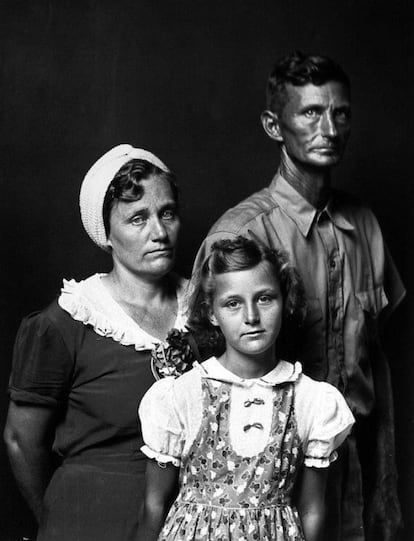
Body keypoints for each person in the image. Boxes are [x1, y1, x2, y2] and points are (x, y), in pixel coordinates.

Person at [192, 52, 405, 541]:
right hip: (271, 486)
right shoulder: (242, 233)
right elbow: (208, 379)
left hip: (354, 476)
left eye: (341, 113)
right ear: (274, 124)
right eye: (311, 112)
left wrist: (388, 489)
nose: (329, 128)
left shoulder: (364, 225)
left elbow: (377, 363)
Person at [3, 144, 188, 541]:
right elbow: (21, 440)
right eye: (137, 218)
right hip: (92, 517)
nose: (159, 232)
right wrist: (57, 520)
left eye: (167, 213)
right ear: (107, 234)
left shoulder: (207, 309)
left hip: (189, 518)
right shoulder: (66, 321)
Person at [137, 236, 355, 541]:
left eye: (265, 298)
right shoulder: (181, 395)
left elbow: (313, 510)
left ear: (285, 299)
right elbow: (153, 504)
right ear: (212, 312)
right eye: (233, 303)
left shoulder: (312, 399)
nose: (251, 317)